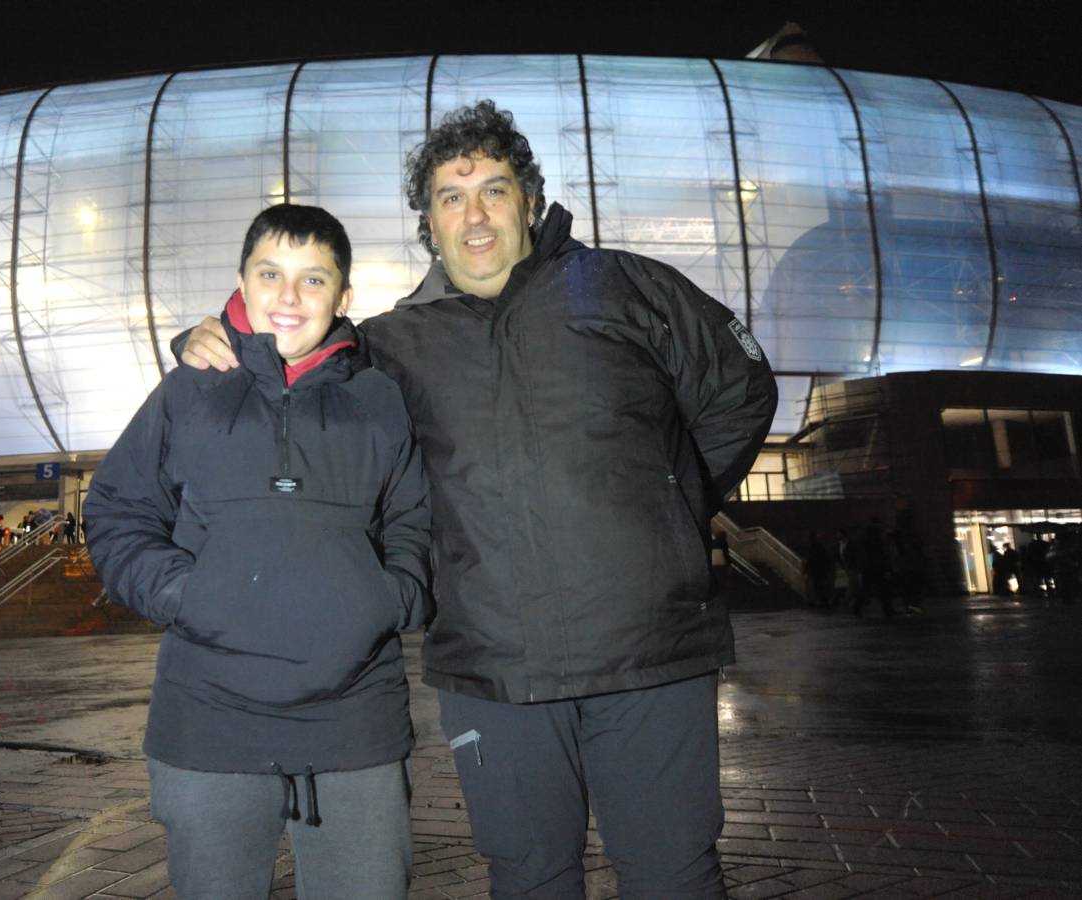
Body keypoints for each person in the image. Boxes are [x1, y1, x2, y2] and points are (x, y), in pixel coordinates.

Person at [179, 101, 777, 898]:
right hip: (491, 666)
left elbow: (736, 391)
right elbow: (288, 381)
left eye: (494, 189)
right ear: (427, 220)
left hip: (651, 649)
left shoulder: (629, 285)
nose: (475, 213)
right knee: (528, 877)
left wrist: (669, 501)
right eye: (451, 197)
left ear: (529, 200)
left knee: (674, 875)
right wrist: (208, 341)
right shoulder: (388, 345)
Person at [85, 204, 432, 899]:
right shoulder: (187, 390)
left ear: (344, 296)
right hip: (209, 723)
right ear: (241, 281)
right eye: (270, 274)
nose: (288, 297)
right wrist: (184, 592)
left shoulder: (381, 399)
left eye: (313, 279)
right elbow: (118, 510)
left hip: (353, 724)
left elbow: (415, 524)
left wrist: (387, 597)